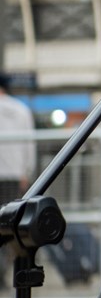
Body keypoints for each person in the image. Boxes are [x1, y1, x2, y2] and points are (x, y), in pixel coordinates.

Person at [0, 73, 35, 205]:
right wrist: (27, 172)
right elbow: (29, 143)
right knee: (10, 214)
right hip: (15, 172)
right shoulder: (21, 109)